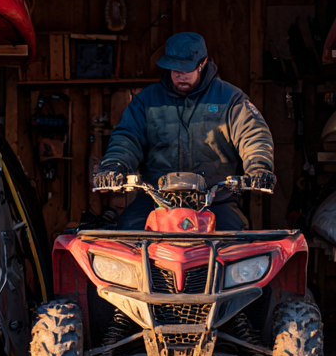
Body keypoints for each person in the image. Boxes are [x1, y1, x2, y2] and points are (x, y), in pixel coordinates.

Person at [97, 32, 275, 230]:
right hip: (156, 200)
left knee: (232, 242)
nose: (179, 75)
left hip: (215, 202)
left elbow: (253, 135)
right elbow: (126, 137)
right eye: (174, 69)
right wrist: (114, 165)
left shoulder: (231, 99)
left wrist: (259, 167)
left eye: (185, 69)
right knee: (128, 235)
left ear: (203, 63)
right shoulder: (146, 101)